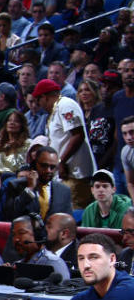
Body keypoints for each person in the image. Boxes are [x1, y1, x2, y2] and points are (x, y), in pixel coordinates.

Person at [33, 78, 96, 209]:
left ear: (44, 97)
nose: (39, 105)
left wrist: (61, 162)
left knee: (74, 213)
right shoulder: (55, 111)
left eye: (38, 100)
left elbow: (78, 135)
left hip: (76, 173)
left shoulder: (65, 104)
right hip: (66, 172)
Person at [9, 215, 71, 281]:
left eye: (21, 233)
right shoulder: (17, 264)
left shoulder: (53, 263)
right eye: (14, 235)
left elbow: (64, 290)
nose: (16, 239)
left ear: (38, 235)